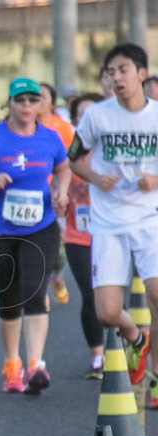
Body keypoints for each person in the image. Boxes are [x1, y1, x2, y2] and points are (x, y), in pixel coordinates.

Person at [0, 77, 70, 395]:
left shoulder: (51, 138)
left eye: (33, 100)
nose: (27, 106)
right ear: (9, 104)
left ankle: (36, 365)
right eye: (20, 100)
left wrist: (60, 191)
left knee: (34, 291)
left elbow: (64, 168)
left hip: (41, 227)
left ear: (41, 105)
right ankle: (12, 364)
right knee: (9, 297)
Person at [69, 43, 158, 410]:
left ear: (141, 73)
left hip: (150, 218)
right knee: (106, 311)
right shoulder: (97, 117)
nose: (116, 78)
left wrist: (155, 178)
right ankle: (136, 336)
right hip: (107, 222)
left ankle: (155, 378)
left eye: (123, 70)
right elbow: (74, 159)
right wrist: (95, 176)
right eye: (111, 72)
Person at [64, 93, 107, 379]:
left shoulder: (110, 151)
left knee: (114, 298)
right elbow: (57, 182)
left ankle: (125, 346)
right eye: (81, 115)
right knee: (90, 296)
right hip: (77, 236)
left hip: (111, 234)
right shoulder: (71, 153)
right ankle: (98, 355)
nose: (87, 119)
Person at [38, 82, 77, 305]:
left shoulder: (61, 127)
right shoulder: (23, 126)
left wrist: (62, 189)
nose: (37, 102)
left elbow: (73, 160)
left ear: (52, 102)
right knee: (36, 242)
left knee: (57, 244)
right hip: (32, 196)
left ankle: (56, 275)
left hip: (58, 194)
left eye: (42, 97)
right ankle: (40, 288)